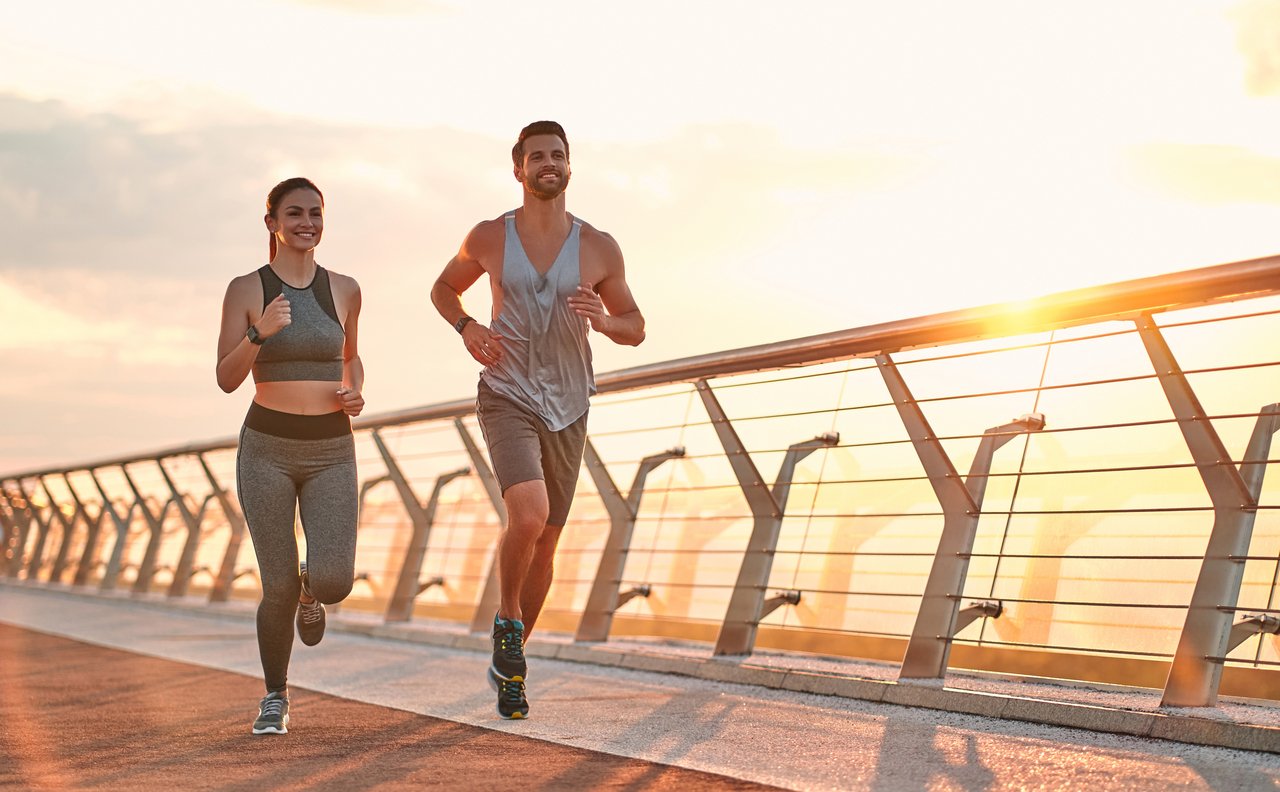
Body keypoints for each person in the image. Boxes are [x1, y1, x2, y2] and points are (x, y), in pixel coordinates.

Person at [432, 121, 646, 719]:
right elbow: (444, 289)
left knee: (547, 539)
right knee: (529, 513)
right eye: (537, 157)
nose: (548, 164)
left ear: (569, 167)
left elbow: (636, 325)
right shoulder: (487, 237)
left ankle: (512, 667)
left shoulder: (599, 247)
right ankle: (507, 620)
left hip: (569, 406)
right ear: (518, 168)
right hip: (507, 393)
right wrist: (468, 326)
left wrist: (603, 321)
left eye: (558, 155)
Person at [215, 177, 365, 735]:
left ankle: (313, 589)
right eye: (295, 213)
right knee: (274, 585)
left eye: (316, 213)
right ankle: (275, 695)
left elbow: (352, 358)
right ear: (272, 222)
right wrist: (258, 334)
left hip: (331, 449)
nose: (307, 222)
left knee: (334, 581)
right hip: (267, 450)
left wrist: (355, 391)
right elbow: (226, 379)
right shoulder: (247, 288)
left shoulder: (345, 288)